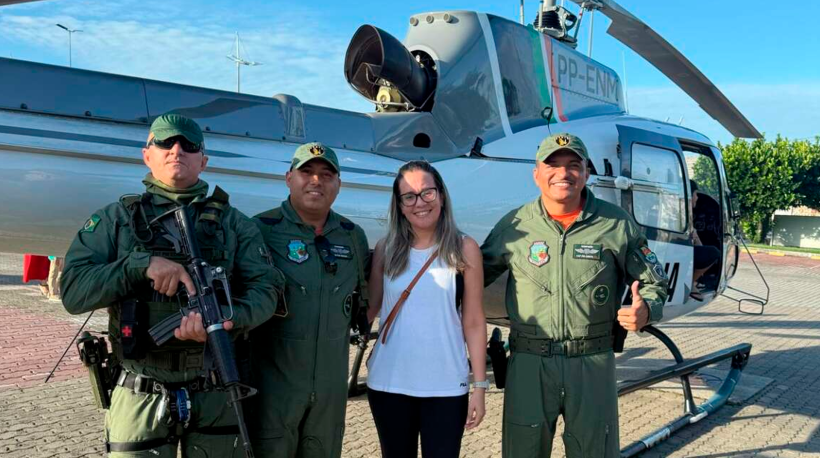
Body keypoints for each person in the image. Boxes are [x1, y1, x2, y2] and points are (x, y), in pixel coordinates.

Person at [61, 113, 282, 457]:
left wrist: (225, 320)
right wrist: (139, 265)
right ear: (147, 155)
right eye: (165, 142)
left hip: (216, 389)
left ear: (203, 161)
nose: (176, 149)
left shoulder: (234, 224)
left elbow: (266, 292)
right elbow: (74, 292)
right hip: (141, 392)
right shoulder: (115, 220)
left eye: (188, 144)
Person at [481, 133, 669, 458]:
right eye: (552, 165)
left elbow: (654, 282)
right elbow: (472, 275)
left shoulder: (615, 224)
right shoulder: (514, 225)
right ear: (536, 174)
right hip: (529, 362)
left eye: (573, 165)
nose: (563, 173)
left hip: (592, 363)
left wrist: (647, 310)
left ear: (586, 173)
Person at [248, 142, 369, 458]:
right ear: (289, 178)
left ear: (338, 184)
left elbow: (362, 300)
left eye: (327, 174)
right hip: (273, 389)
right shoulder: (260, 230)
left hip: (329, 392)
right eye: (307, 172)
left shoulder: (352, 236)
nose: (317, 181)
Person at [365, 160, 487, 458]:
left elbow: (473, 319)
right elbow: (370, 309)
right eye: (409, 196)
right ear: (400, 205)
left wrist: (480, 386)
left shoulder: (463, 247)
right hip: (388, 383)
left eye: (427, 193)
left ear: (441, 196)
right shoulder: (386, 248)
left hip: (445, 385)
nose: (419, 203)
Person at [689, 181, 721, 300]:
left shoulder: (687, 216)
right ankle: (689, 283)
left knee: (707, 253)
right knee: (713, 253)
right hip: (676, 250)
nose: (697, 198)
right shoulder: (679, 216)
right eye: (695, 194)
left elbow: (695, 236)